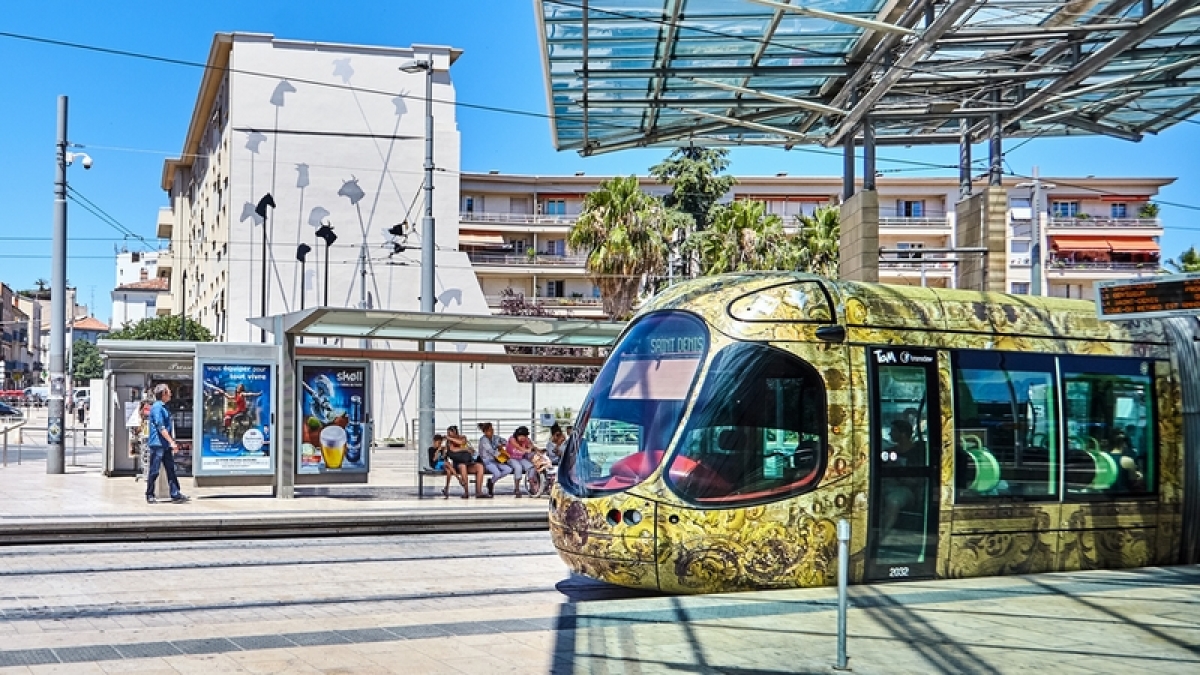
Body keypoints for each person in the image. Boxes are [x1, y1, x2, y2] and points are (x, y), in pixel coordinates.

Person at [145, 384, 188, 504]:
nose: (171, 393)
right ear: (163, 393)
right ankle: (149, 494)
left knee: (171, 469)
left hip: (164, 444)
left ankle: (175, 493)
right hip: (158, 444)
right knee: (154, 470)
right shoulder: (157, 407)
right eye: (169, 391)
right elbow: (160, 427)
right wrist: (171, 442)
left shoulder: (163, 407)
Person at [880, 419, 922, 543]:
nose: (889, 434)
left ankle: (882, 535)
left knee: (893, 500)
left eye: (893, 431)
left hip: (907, 489)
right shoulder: (889, 452)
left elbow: (918, 479)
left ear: (903, 434)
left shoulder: (917, 453)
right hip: (886, 484)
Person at [443, 426, 488, 499]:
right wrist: (465, 449)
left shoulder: (462, 437)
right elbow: (453, 450)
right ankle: (466, 492)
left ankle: (479, 492)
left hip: (468, 462)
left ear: (455, 433)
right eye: (448, 433)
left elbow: (462, 442)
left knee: (479, 466)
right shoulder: (449, 443)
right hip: (457, 464)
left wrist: (452, 439)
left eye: (450, 433)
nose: (448, 435)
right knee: (462, 466)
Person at [477, 422, 513, 497]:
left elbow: (505, 442)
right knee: (497, 473)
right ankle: (491, 484)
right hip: (487, 461)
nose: (492, 431)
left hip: (496, 460)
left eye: (492, 429)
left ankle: (491, 481)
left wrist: (502, 444)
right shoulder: (483, 440)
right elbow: (491, 451)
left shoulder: (495, 437)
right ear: (485, 432)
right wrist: (503, 455)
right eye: (490, 430)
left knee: (508, 469)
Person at [505, 426, 537, 497]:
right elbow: (518, 447)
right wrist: (527, 450)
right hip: (511, 458)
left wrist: (531, 447)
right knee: (518, 467)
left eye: (524, 436)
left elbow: (532, 446)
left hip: (521, 458)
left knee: (531, 467)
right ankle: (517, 488)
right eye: (520, 436)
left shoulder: (526, 440)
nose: (522, 438)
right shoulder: (512, 439)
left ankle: (531, 484)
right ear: (517, 435)